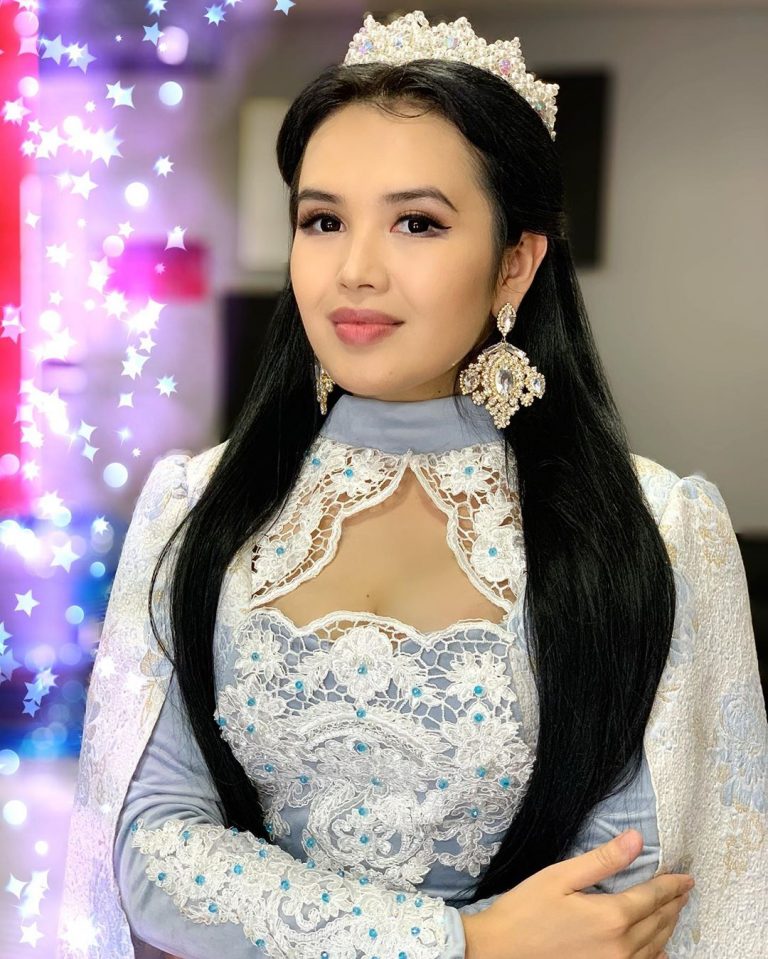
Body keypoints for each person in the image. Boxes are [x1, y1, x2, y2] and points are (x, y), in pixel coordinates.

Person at [56, 10, 767, 959]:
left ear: (514, 263)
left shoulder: (658, 527)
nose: (354, 270)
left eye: (417, 223)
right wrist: (460, 940)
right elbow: (149, 852)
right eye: (322, 221)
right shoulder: (199, 505)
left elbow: (631, 898)